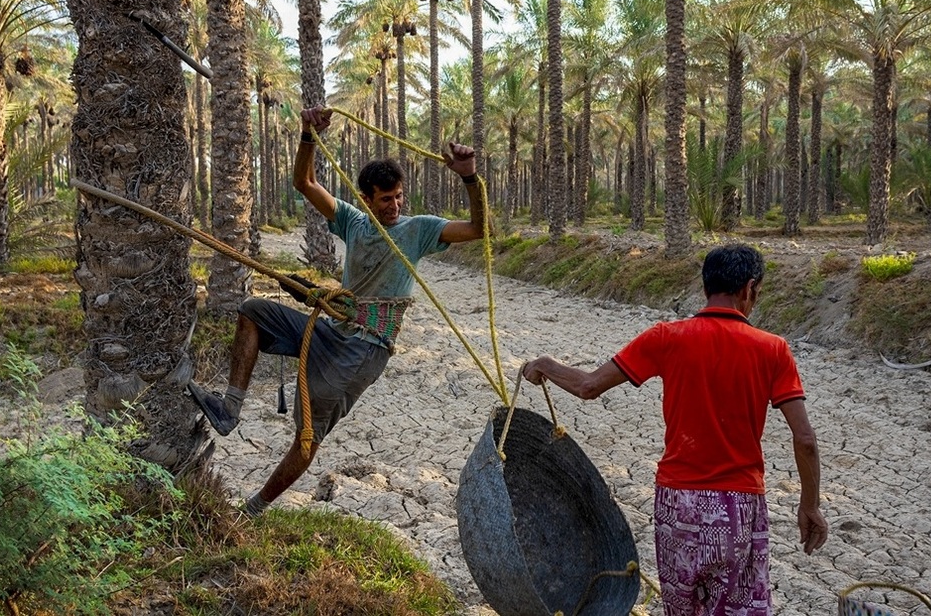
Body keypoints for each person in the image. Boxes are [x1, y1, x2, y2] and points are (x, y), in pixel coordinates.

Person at [188, 105, 486, 516]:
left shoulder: (418, 230)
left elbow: (478, 229)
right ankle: (230, 408)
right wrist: (308, 133)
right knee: (253, 310)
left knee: (307, 436)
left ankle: (253, 510)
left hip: (363, 349)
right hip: (333, 330)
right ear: (366, 199)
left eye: (398, 197)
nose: (394, 206)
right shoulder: (353, 222)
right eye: (385, 200)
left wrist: (469, 176)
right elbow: (303, 181)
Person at [522, 243, 827, 616]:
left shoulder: (666, 337)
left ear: (705, 289)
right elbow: (806, 439)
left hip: (677, 504)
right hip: (738, 505)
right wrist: (809, 504)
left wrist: (546, 365)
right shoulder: (773, 349)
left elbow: (588, 386)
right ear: (749, 289)